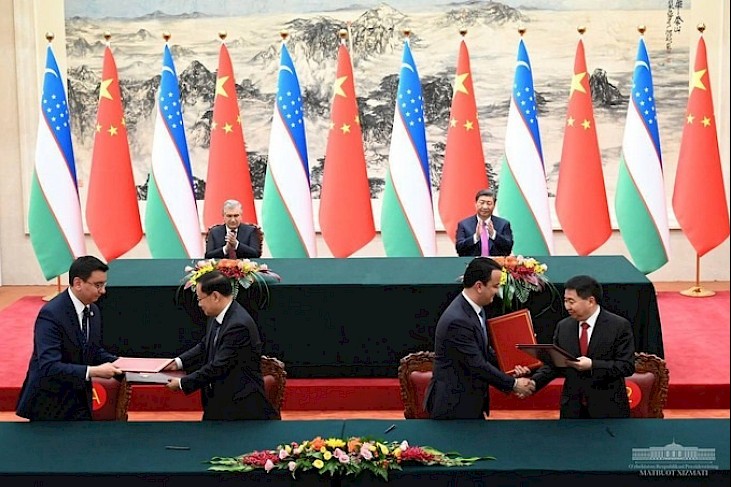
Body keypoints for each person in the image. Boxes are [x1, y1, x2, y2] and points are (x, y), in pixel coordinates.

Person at [424, 257, 535, 419]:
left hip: (471, 402)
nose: (497, 292)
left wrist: (510, 367)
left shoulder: (475, 309)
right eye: (495, 286)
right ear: (479, 286)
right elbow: (476, 364)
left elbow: (484, 350)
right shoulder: (458, 320)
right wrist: (514, 384)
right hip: (454, 407)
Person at [16, 256, 123, 421]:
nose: (103, 291)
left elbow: (92, 350)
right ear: (78, 283)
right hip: (49, 405)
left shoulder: (93, 310)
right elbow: (49, 366)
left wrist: (122, 363)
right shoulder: (51, 314)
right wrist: (93, 371)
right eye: (98, 285)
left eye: (104, 284)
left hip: (79, 400)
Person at [164, 270, 279, 420]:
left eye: (200, 299)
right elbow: (205, 345)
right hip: (218, 403)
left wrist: (182, 383)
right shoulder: (218, 315)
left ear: (215, 296)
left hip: (239, 409)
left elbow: (219, 366)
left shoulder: (238, 325)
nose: (199, 304)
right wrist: (177, 363)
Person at [530, 275, 635, 419]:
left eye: (571, 301)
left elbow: (626, 366)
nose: (567, 306)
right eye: (565, 300)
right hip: (573, 408)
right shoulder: (564, 326)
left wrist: (592, 365)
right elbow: (555, 363)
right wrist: (533, 382)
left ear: (590, 301)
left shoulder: (618, 326)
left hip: (608, 408)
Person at [455, 189, 513, 257]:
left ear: (494, 205)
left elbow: (508, 248)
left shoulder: (504, 224)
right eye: (482, 203)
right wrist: (475, 237)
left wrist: (494, 234)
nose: (485, 207)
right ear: (476, 204)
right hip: (472, 265)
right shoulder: (464, 224)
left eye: (489, 203)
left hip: (495, 265)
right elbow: (459, 249)